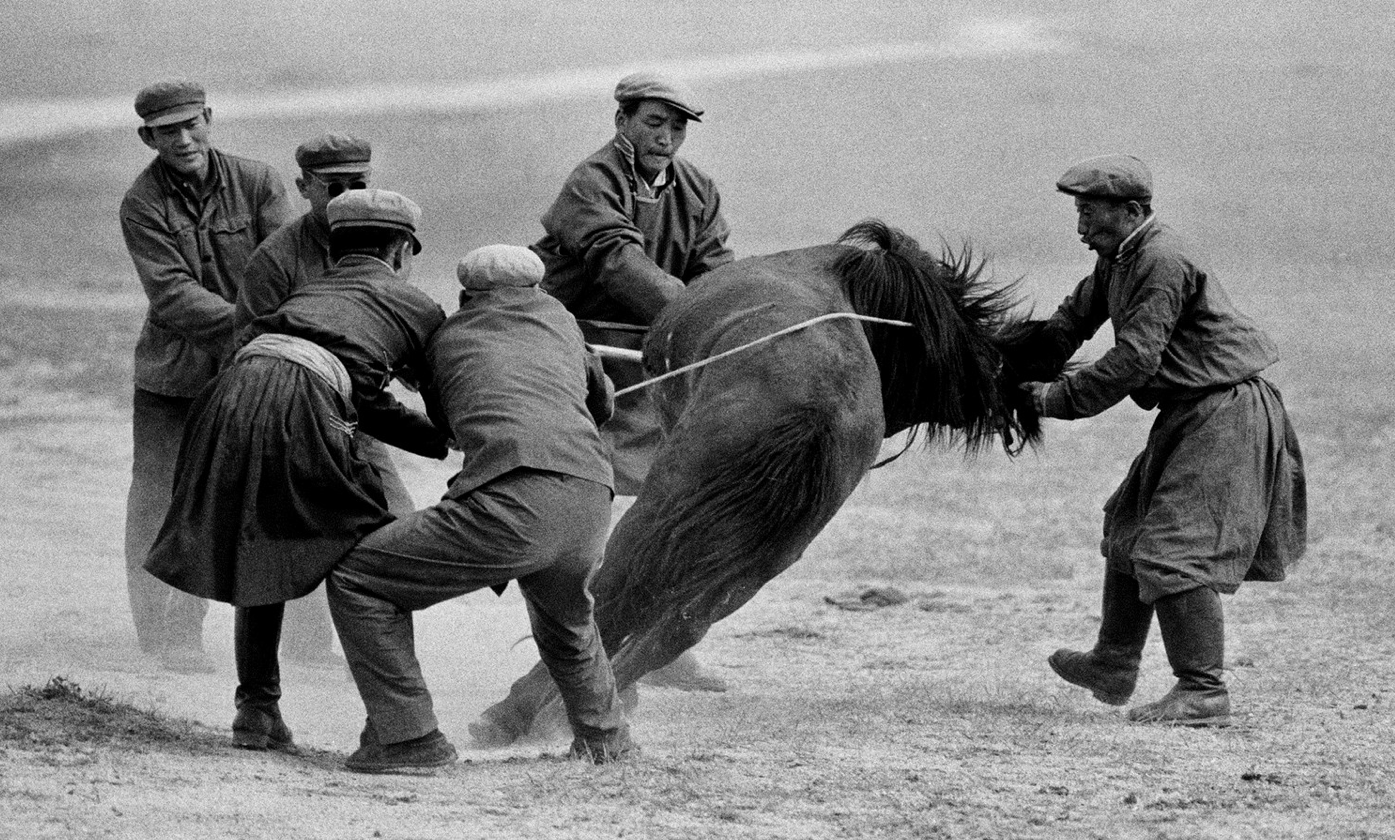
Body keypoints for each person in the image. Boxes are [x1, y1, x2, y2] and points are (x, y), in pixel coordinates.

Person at [144, 189, 449, 751]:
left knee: (261, 544)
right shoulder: (416, 306)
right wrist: (443, 438)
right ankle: (396, 724)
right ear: (402, 249)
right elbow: (398, 395)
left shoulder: (310, 290)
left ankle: (257, 711)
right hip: (300, 402)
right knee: (369, 551)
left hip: (228, 398)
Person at [1023, 154, 1307, 726]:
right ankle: (1114, 661)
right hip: (1188, 411)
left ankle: (1203, 691)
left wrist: (1054, 400)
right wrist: (1005, 367)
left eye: (1091, 216)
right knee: (1128, 525)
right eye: (1078, 214)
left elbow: (1135, 357)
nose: (1081, 229)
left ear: (1132, 212)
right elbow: (1070, 322)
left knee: (1177, 548)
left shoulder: (1160, 259)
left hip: (1226, 412)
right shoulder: (1119, 257)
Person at [327, 244, 633, 774]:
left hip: (513, 494)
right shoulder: (564, 325)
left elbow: (446, 428)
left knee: (360, 577)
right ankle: (604, 740)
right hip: (591, 494)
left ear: (468, 296)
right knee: (568, 623)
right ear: (537, 290)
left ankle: (408, 740)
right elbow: (601, 406)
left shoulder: (448, 336)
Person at [532, 71, 734, 692]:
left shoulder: (698, 189)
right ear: (622, 122)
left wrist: (734, 310)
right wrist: (696, 318)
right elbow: (618, 262)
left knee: (667, 503)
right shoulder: (592, 181)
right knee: (586, 503)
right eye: (654, 122)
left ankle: (658, 646)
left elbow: (714, 265)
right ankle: (580, 645)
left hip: (651, 358)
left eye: (677, 127)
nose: (667, 137)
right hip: (581, 356)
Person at [120, 79, 294, 673]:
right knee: (161, 500)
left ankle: (308, 640)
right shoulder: (141, 204)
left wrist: (264, 336)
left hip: (258, 360)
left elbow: (286, 266)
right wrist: (247, 327)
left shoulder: (260, 181)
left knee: (278, 489)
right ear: (149, 137)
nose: (184, 137)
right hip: (177, 373)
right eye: (168, 130)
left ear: (210, 119)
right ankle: (165, 636)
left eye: (192, 123)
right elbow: (171, 294)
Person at [235, 132, 415, 668]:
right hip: (288, 417)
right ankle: (293, 663)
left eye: (357, 184)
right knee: (289, 532)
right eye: (332, 186)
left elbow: (399, 329)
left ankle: (376, 660)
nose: (345, 197)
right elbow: (249, 342)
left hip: (357, 418)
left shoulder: (388, 241)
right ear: (303, 188)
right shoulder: (276, 258)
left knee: (397, 525)